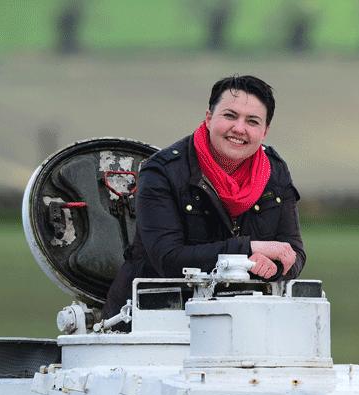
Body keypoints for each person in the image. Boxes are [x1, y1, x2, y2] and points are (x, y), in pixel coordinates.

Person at [104, 75, 305, 318]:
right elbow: (169, 258)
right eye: (230, 116)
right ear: (209, 118)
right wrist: (248, 250)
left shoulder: (275, 170)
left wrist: (272, 269)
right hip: (153, 319)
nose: (239, 129)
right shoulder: (162, 171)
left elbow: (293, 252)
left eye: (252, 121)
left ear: (264, 131)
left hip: (241, 320)